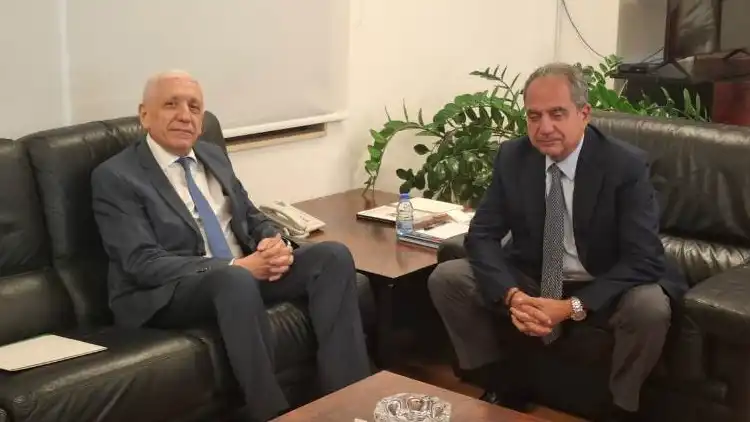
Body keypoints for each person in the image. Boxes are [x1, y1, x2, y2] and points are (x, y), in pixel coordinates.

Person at [91, 70, 371, 422]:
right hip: (169, 292)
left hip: (240, 275)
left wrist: (272, 241)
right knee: (234, 280)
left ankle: (349, 401)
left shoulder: (212, 156)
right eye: (171, 104)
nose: (185, 115)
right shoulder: (116, 176)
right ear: (144, 115)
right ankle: (272, 413)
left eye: (195, 107)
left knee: (331, 256)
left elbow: (250, 215)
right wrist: (236, 266)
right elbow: (141, 262)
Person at [427, 63, 687, 422]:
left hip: (604, 280)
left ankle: (621, 406)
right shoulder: (514, 157)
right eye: (534, 116)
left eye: (557, 114)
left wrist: (571, 307)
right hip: (534, 276)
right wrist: (513, 296)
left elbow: (644, 259)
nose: (544, 127)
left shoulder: (624, 165)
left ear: (584, 114)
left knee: (650, 307)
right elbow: (482, 234)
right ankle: (499, 382)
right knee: (449, 277)